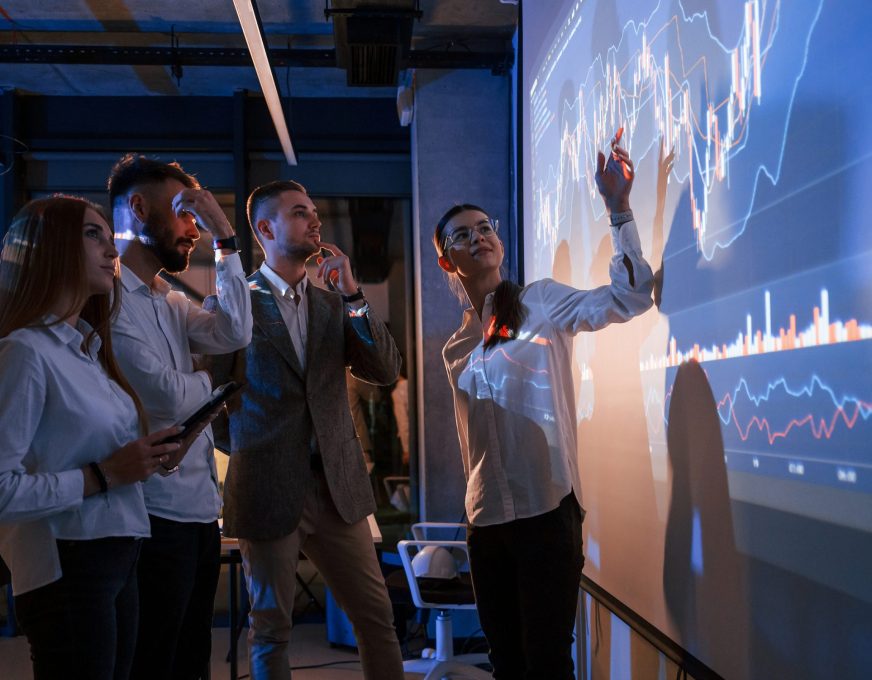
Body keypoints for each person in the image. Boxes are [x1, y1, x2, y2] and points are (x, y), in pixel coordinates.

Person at [435, 134, 655, 679]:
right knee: (506, 661)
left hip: (547, 513)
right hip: (485, 522)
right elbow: (472, 447)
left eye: (485, 228)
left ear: (500, 244)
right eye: (462, 234)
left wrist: (619, 209)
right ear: (446, 259)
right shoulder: (456, 347)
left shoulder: (540, 302)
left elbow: (629, 299)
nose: (478, 237)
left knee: (548, 661)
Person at [210, 180, 405, 680]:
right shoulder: (236, 303)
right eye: (301, 213)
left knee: (377, 617)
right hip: (266, 487)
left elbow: (384, 370)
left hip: (336, 487)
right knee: (271, 630)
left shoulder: (331, 303)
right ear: (266, 228)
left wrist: (355, 294)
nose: (316, 220)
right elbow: (208, 402)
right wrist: (253, 447)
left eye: (315, 211)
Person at [0, 196, 201, 680]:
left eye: (110, 237)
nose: (111, 249)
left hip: (121, 552)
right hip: (68, 562)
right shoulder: (24, 352)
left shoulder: (87, 350)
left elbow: (106, 459)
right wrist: (104, 475)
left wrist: (151, 458)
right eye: (93, 235)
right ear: (48, 248)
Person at [107, 155, 253, 680]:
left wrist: (225, 236)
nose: (193, 228)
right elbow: (169, 399)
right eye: (184, 213)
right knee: (155, 658)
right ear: (139, 209)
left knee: (193, 659)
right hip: (151, 514)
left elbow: (235, 333)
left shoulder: (168, 299)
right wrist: (207, 382)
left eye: (198, 216)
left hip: (197, 510)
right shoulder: (111, 299)